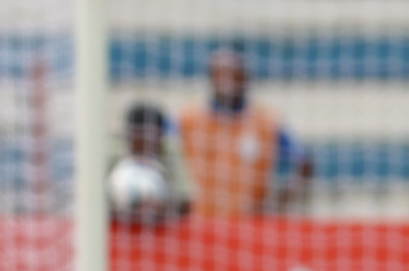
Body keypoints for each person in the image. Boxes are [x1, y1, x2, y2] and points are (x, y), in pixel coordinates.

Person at [179, 47, 313, 218]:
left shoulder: (267, 122)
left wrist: (279, 204)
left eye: (234, 75)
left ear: (246, 78)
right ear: (211, 78)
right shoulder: (187, 119)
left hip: (249, 229)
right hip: (201, 225)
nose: (227, 82)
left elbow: (305, 162)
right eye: (220, 74)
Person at [107, 101, 194, 223]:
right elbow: (92, 199)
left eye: (147, 136)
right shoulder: (111, 152)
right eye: (136, 135)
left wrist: (160, 207)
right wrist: (125, 209)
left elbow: (187, 201)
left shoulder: (171, 153)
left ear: (160, 137)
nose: (142, 142)